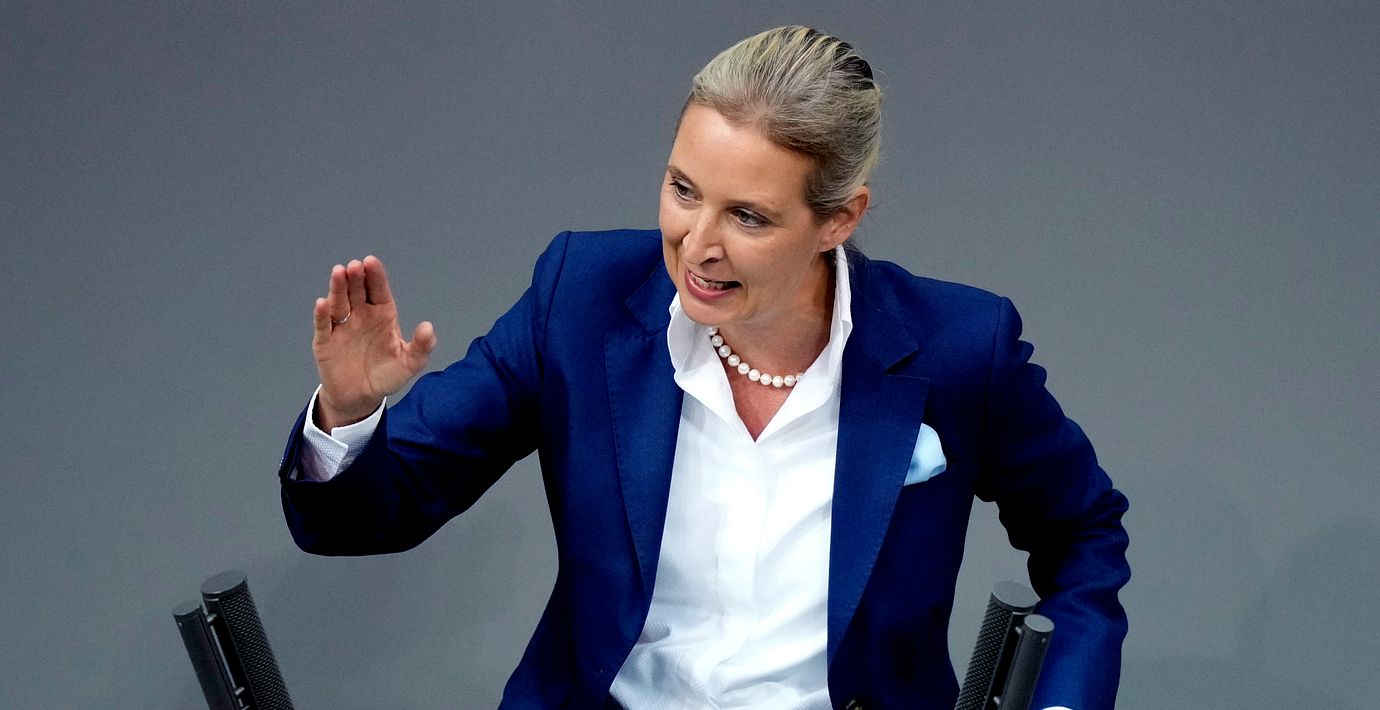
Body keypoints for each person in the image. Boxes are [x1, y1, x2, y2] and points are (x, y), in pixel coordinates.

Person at [278, 25, 1130, 710]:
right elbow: (370, 517)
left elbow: (1082, 535)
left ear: (839, 219)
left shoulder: (959, 347)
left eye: (748, 216)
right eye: (683, 190)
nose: (697, 245)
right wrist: (348, 412)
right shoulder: (578, 298)